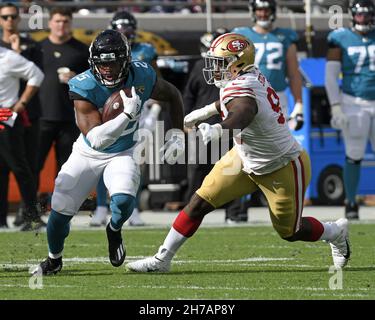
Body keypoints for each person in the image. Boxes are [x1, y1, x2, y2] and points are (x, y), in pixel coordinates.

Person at [126, 33, 351, 273]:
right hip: (244, 158)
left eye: (220, 62)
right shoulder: (245, 76)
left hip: (280, 166)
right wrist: (203, 113)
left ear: (238, 62)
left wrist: (217, 128)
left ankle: (334, 232)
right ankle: (162, 259)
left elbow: (242, 112)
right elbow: (227, 102)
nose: (213, 68)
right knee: (199, 202)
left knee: (290, 232)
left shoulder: (244, 88)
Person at [31, 30, 184, 275]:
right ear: (93, 62)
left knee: (123, 202)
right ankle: (54, 259)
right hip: (88, 153)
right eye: (102, 63)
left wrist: (177, 134)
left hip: (124, 151)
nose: (108, 69)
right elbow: (97, 139)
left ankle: (114, 229)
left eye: (113, 62)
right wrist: (126, 115)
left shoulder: (141, 74)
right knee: (59, 214)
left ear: (126, 60)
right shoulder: (83, 84)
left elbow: (173, 95)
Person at [90, 10, 160, 227]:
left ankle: (135, 208)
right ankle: (102, 207)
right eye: (120, 27)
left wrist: (155, 107)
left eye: (127, 27)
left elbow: (156, 80)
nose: (124, 31)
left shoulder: (146, 50)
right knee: (104, 159)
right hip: (111, 109)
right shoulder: (102, 49)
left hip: (140, 109)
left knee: (135, 161)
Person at [183, 27, 249, 224]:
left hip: (228, 126)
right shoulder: (199, 67)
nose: (214, 64)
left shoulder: (242, 71)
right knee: (198, 171)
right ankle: (190, 214)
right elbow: (189, 95)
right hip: (205, 126)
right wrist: (188, 120)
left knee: (233, 170)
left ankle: (234, 213)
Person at [325, 0, 375, 220]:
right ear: (353, 16)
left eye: (366, 15)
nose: (362, 19)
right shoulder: (340, 38)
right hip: (353, 101)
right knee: (354, 153)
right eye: (359, 15)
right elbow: (330, 76)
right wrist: (335, 106)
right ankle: (351, 202)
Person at [0, 2, 44, 227]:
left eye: (12, 17)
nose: (9, 21)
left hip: (5, 116)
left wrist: (21, 102)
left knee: (20, 167)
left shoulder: (8, 56)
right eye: (4, 17)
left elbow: (36, 74)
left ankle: (32, 215)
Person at [232, 0, 304, 131]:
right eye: (259, 9)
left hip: (276, 96)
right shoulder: (241, 35)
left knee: (278, 140)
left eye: (266, 10)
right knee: (246, 140)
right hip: (248, 94)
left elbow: (293, 73)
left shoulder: (286, 36)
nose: (263, 13)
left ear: (273, 11)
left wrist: (299, 102)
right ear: (253, 11)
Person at [37, 8, 89, 190]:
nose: (61, 25)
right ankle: (28, 211)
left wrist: (76, 78)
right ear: (50, 23)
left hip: (69, 118)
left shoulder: (81, 50)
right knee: (33, 166)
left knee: (66, 168)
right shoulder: (39, 48)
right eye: (57, 21)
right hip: (41, 116)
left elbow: (93, 82)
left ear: (71, 23)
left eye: (65, 21)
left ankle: (61, 211)